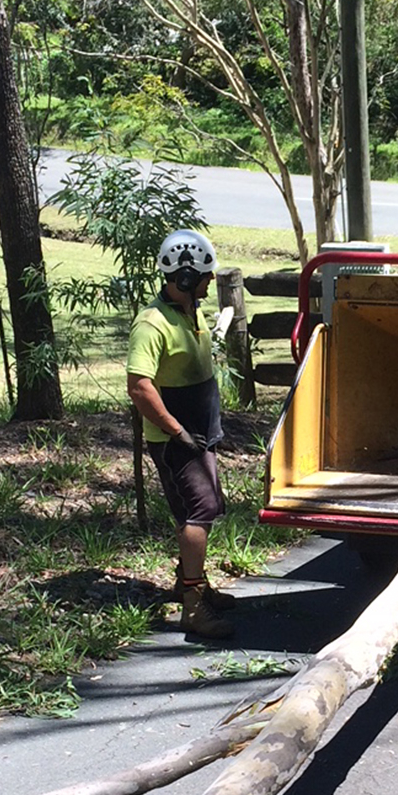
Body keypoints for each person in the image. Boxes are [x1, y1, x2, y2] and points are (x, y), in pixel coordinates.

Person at [126, 229, 238, 641]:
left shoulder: (190, 312)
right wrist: (177, 433)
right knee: (201, 510)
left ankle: (193, 583)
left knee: (193, 510)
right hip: (179, 439)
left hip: (199, 435)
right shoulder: (152, 324)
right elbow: (139, 385)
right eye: (205, 277)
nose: (210, 283)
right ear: (187, 277)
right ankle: (193, 608)